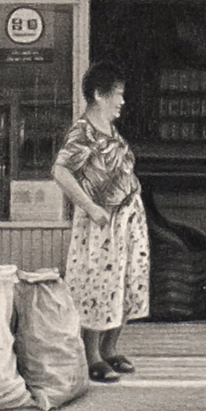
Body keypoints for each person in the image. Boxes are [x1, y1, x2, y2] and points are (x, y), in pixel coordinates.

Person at [49, 61, 151, 384]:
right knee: (98, 284)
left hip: (126, 218)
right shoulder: (84, 132)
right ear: (98, 95)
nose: (122, 101)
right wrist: (91, 207)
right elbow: (60, 171)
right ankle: (91, 354)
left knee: (125, 281)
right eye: (117, 94)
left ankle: (110, 348)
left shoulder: (109, 129)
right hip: (101, 222)